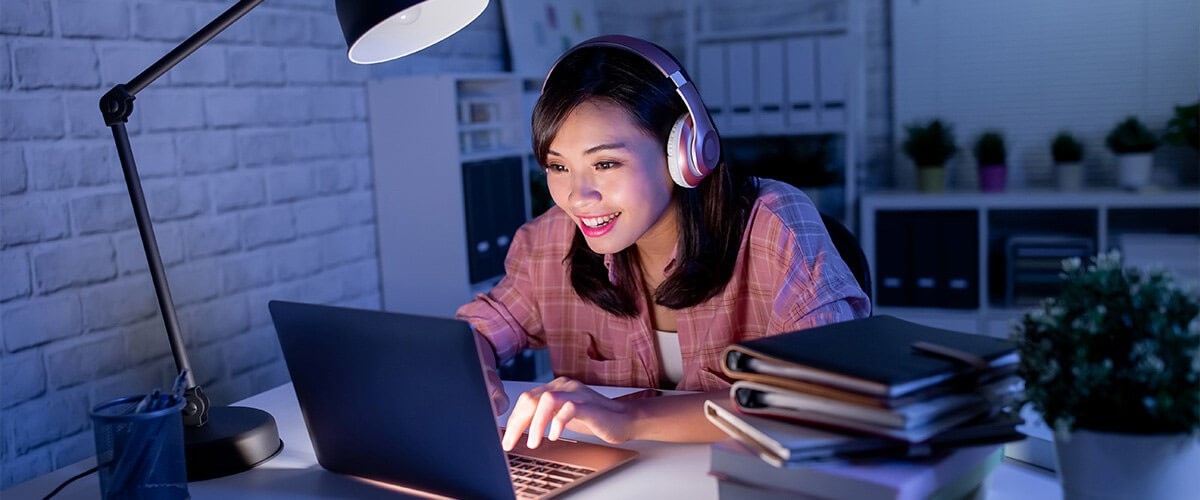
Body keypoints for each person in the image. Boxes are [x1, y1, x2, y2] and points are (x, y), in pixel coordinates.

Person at [456, 35, 870, 453]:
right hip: (626, 478)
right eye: (558, 166)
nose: (578, 197)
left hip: (749, 475)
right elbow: (474, 333)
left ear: (686, 153)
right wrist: (476, 372)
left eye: (605, 163)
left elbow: (826, 393)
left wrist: (629, 417)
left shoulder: (775, 224)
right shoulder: (548, 242)